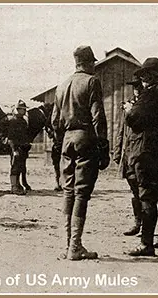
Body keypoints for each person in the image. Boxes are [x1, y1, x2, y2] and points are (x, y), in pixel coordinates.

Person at [51, 45, 110, 260]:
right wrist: (103, 146)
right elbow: (98, 117)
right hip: (85, 138)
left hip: (67, 139)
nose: (94, 65)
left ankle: (68, 244)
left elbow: (54, 121)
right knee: (82, 192)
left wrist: (60, 142)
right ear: (88, 63)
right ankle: (75, 246)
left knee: (68, 191)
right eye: (93, 62)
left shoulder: (61, 85)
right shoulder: (91, 81)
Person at [124, 57, 158, 256]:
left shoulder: (148, 96)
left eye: (143, 76)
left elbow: (134, 120)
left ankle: (146, 244)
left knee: (146, 196)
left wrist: (129, 110)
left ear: (148, 76)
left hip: (148, 153)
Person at [113, 76, 143, 236]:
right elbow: (120, 130)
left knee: (144, 191)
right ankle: (137, 222)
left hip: (140, 153)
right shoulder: (127, 105)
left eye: (139, 85)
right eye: (134, 86)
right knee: (134, 190)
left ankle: (146, 225)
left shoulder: (144, 105)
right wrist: (117, 151)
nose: (137, 89)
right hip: (128, 153)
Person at [7, 100, 30, 195]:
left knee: (21, 167)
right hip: (16, 148)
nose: (24, 111)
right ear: (18, 110)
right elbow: (11, 137)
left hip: (23, 148)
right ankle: (14, 187)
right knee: (15, 167)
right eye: (22, 109)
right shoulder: (13, 121)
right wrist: (14, 150)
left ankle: (18, 184)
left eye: (25, 109)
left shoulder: (23, 121)